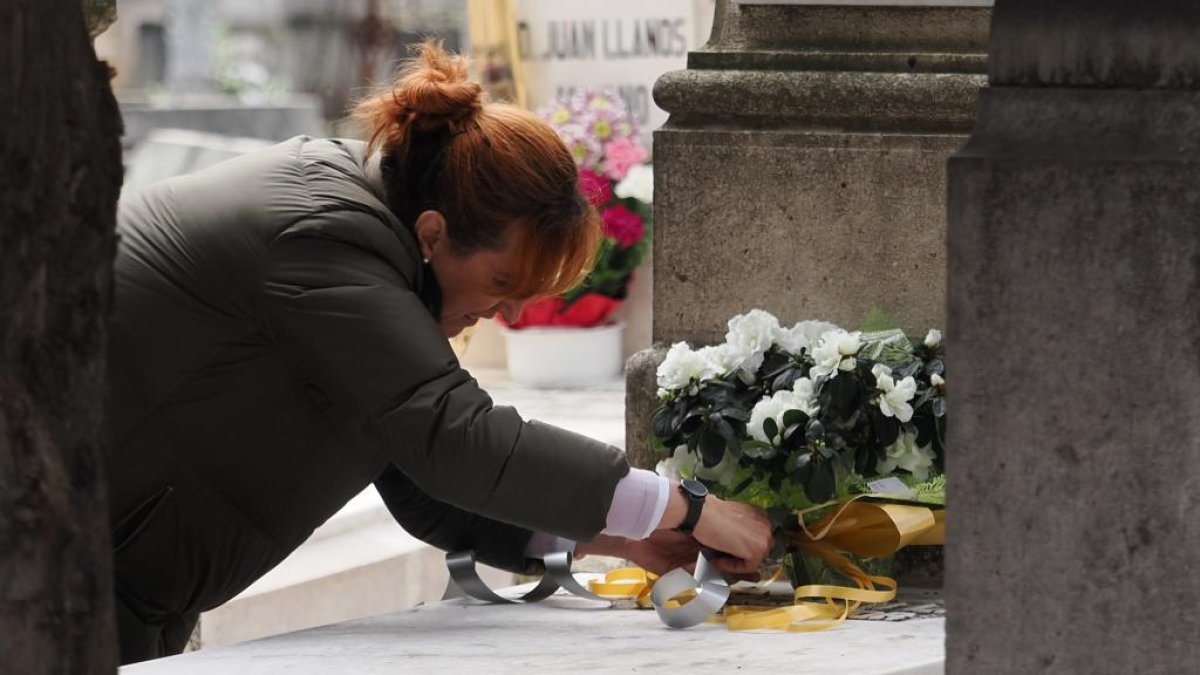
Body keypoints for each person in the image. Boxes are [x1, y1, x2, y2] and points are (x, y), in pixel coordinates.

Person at [108, 41, 771, 665]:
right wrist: (686, 505)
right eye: (503, 285)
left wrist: (619, 537)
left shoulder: (365, 232)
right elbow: (450, 438)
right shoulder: (320, 235)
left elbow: (423, 476)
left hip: (119, 586)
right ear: (434, 233)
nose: (505, 314)